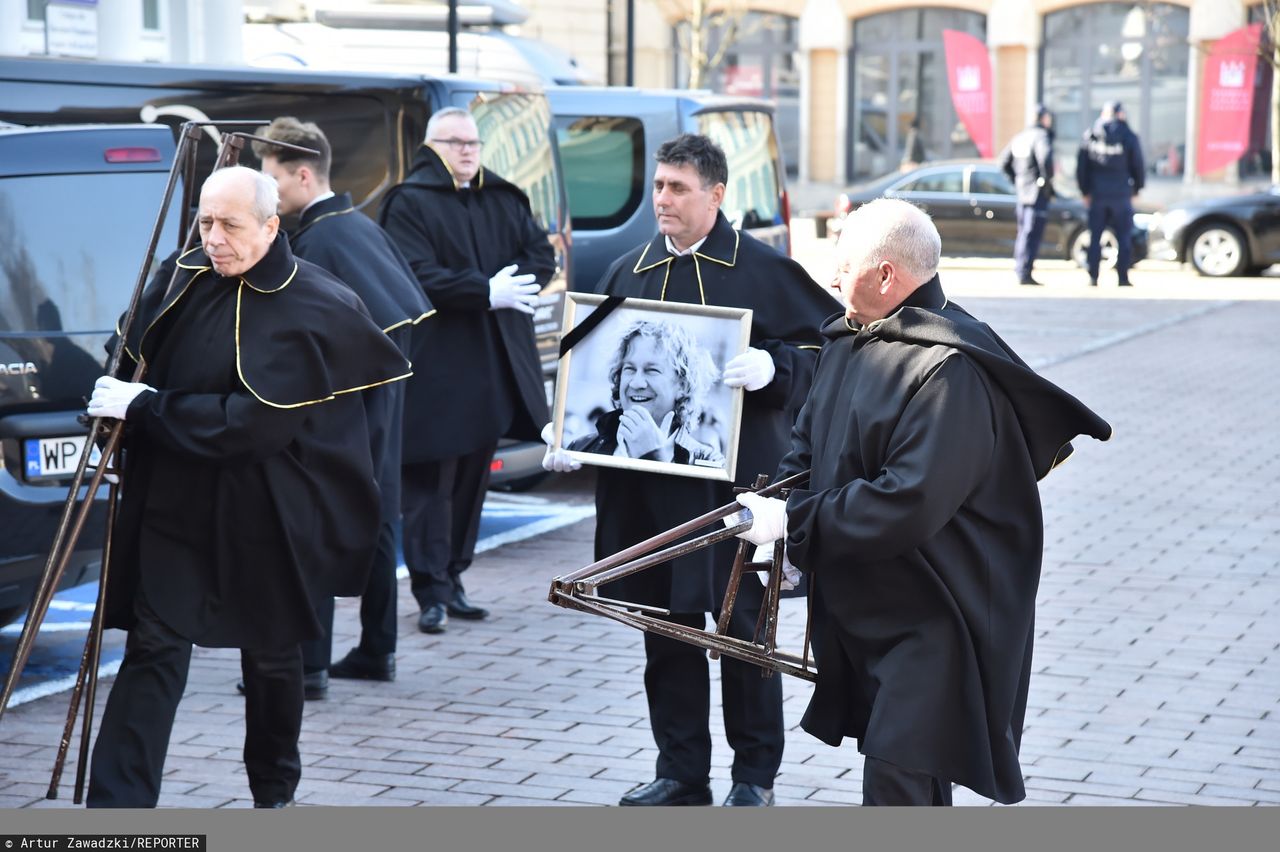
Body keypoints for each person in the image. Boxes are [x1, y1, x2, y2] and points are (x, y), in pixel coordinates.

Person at [728, 197, 1111, 806]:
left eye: (843, 261)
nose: (830, 276)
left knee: (899, 775)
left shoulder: (951, 368)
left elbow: (906, 503)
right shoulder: (849, 338)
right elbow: (807, 446)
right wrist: (780, 524)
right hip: (873, 602)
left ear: (887, 274)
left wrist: (796, 521)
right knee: (908, 776)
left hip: (941, 615)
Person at [84, 166, 411, 808]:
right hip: (175, 505)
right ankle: (117, 808)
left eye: (230, 225)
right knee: (154, 646)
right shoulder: (180, 281)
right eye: (205, 222)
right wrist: (109, 406)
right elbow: (128, 359)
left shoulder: (315, 301)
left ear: (270, 224)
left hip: (267, 511)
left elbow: (253, 427)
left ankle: (273, 789)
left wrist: (146, 408)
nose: (214, 238)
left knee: (269, 654)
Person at [545, 134, 835, 807]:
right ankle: (681, 771)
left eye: (678, 188)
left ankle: (753, 777)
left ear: (717, 193)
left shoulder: (764, 268)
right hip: (646, 492)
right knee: (664, 630)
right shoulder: (627, 270)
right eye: (659, 187)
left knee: (744, 633)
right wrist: (567, 430)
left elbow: (839, 349)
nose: (663, 201)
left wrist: (779, 368)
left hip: (741, 489)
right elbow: (587, 367)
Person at [253, 118, 433, 696]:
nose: (268, 194)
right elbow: (415, 314)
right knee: (377, 520)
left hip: (344, 407)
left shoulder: (317, 241)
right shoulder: (361, 226)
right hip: (386, 399)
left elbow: (301, 339)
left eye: (272, 181)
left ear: (303, 175)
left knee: (314, 527)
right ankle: (377, 651)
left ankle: (308, 668)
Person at [379, 107, 554, 635]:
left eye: (473, 142)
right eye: (455, 142)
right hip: (437, 366)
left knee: (473, 479)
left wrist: (513, 282)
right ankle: (429, 588)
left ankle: (454, 578)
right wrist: (482, 290)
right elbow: (413, 272)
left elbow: (539, 254)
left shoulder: (503, 196)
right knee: (430, 480)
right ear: (432, 146)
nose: (467, 150)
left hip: (491, 361)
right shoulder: (409, 202)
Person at [567, 319, 724, 467]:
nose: (636, 383)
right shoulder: (581, 448)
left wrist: (653, 456)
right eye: (629, 369)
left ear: (682, 385)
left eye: (652, 370)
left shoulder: (709, 462)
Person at [1077, 100, 1144, 287]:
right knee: (1123, 237)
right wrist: (1137, 189)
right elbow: (1138, 165)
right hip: (1121, 194)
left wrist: (1085, 191)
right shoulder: (1128, 136)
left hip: (1097, 195)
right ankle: (1122, 277)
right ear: (1120, 114)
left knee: (1095, 236)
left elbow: (1082, 167)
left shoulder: (1091, 135)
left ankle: (1093, 276)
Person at [999, 105, 1055, 286]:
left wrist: (1017, 181)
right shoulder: (1041, 136)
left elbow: (1003, 162)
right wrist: (1045, 182)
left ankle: (1021, 269)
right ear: (1042, 119)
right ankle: (1025, 272)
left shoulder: (1020, 137)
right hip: (1036, 194)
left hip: (1023, 194)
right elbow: (1046, 160)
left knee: (1023, 233)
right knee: (1031, 234)